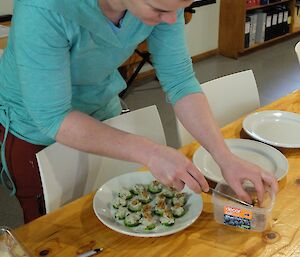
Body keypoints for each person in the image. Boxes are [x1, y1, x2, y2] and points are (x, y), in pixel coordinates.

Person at [0, 0, 278, 223]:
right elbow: (53, 117)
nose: (172, 19)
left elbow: (180, 81)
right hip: (34, 128)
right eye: (160, 9)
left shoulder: (163, 7)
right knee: (54, 228)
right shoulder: (43, 8)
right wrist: (151, 151)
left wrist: (224, 158)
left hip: (101, 108)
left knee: (113, 209)